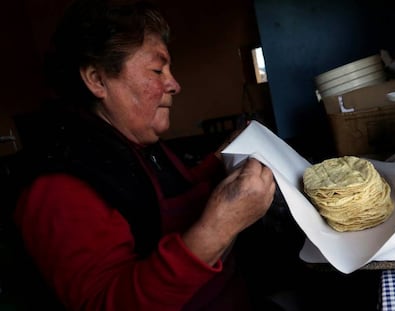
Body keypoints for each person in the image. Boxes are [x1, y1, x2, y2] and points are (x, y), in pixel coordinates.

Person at [5, 0, 279, 310]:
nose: (174, 84)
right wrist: (220, 228)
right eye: (157, 69)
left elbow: (175, 197)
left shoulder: (137, 143)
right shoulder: (57, 187)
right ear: (96, 79)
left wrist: (221, 159)